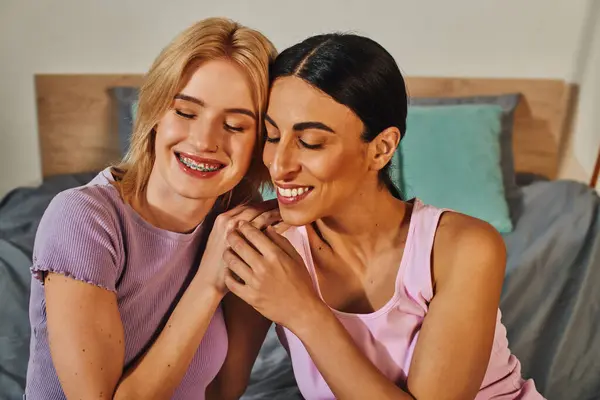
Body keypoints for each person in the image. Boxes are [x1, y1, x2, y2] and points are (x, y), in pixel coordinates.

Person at [222, 33, 544, 399]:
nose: (278, 166)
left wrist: (302, 312)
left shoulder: (463, 248)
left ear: (382, 148)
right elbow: (219, 391)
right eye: (272, 135)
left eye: (310, 142)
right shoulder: (267, 251)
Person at [25, 17, 279, 400]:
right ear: (156, 113)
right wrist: (208, 282)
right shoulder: (82, 219)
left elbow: (225, 389)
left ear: (261, 141)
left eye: (234, 125)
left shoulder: (241, 218)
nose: (204, 141)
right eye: (186, 112)